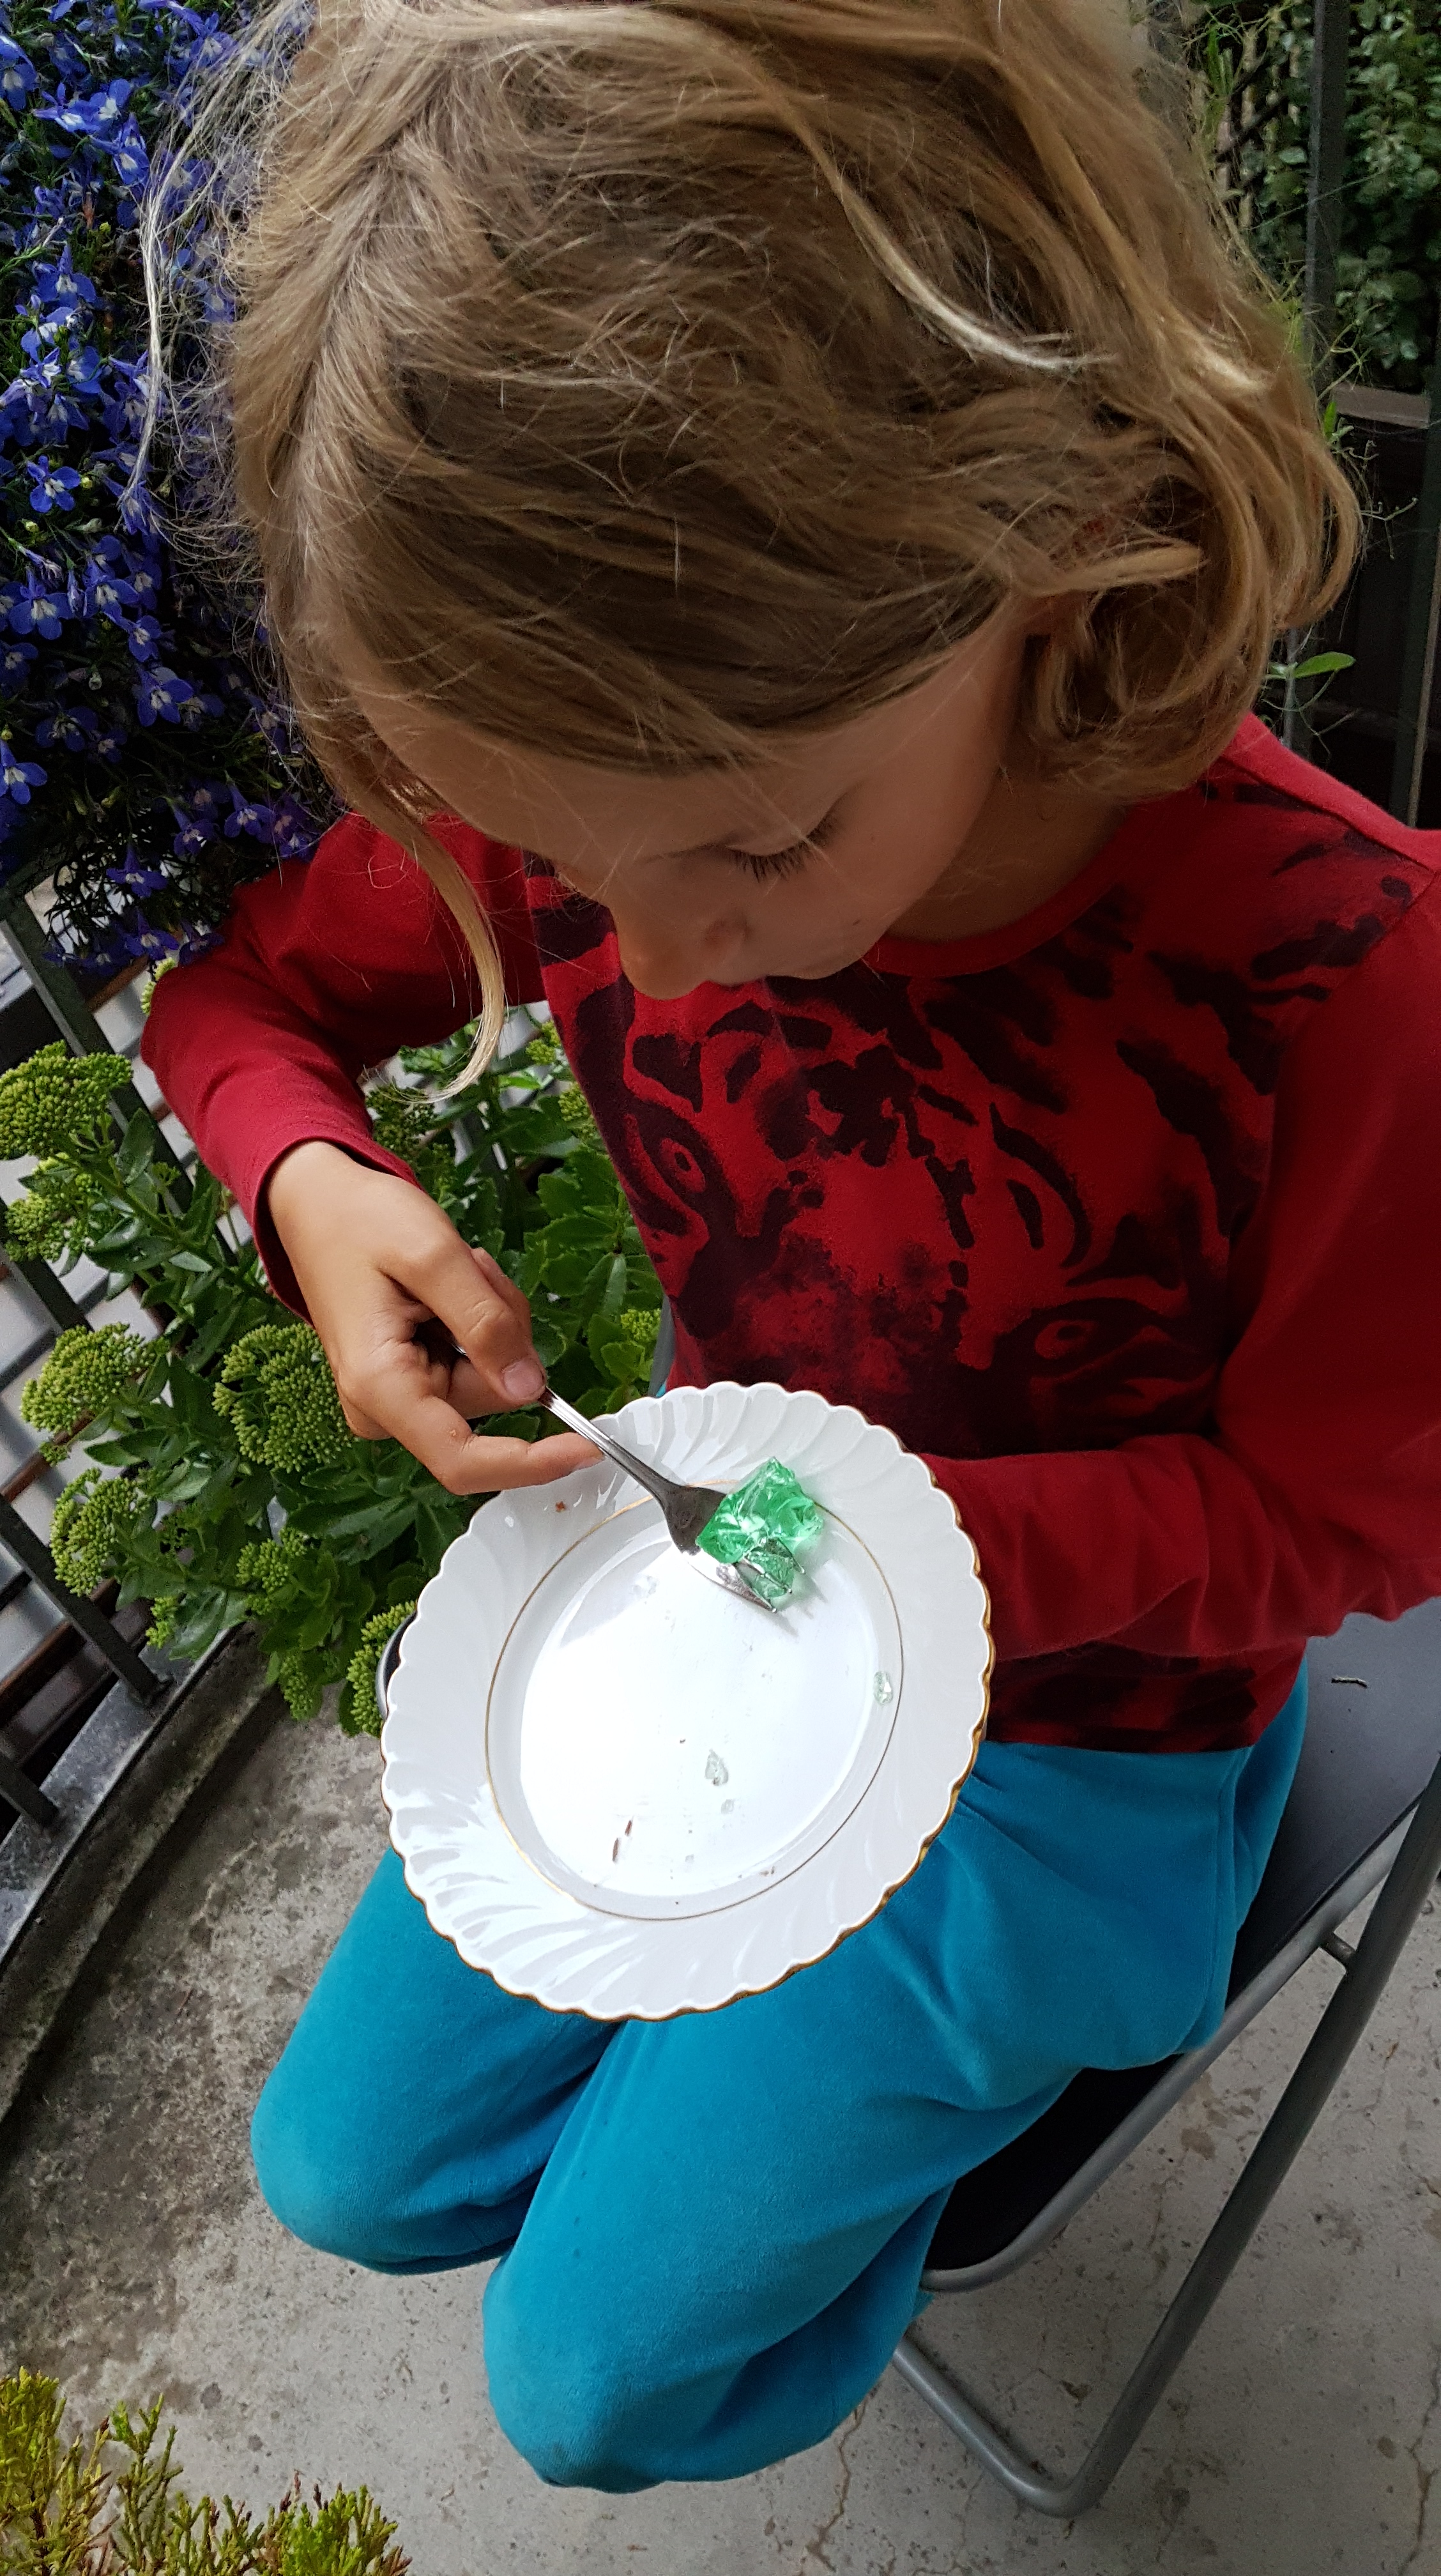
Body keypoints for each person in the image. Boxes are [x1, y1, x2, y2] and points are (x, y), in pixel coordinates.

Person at [142, 0, 1441, 2493]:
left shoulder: (1346, 981)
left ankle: (843, 2142)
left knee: (588, 2386)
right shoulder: (619, 745)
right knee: (346, 2174)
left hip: (1078, 1755)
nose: (656, 958)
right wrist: (315, 1181)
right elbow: (242, 1004)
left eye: (756, 851)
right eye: (565, 869)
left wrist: (911, 1552)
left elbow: (1357, 1523)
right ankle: (731, 2114)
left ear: (1061, 530)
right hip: (712, 1617)